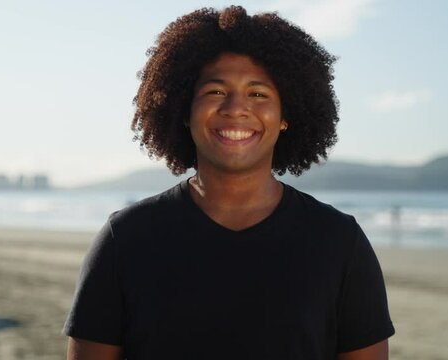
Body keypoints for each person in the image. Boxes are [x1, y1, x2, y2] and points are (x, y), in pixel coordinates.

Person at [64, 6, 394, 360]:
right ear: (184, 112)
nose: (236, 108)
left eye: (258, 94)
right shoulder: (124, 240)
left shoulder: (340, 244)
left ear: (286, 117)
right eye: (216, 92)